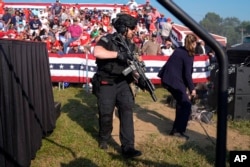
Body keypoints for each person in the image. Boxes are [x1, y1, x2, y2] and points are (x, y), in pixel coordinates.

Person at [93, 13, 142, 158]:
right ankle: (104, 137)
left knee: (127, 112)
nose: (134, 30)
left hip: (123, 83)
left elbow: (133, 64)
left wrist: (137, 74)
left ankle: (128, 147)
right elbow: (97, 52)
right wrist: (118, 55)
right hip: (106, 82)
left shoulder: (131, 45)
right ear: (123, 27)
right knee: (106, 114)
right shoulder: (107, 39)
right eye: (132, 27)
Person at [160, 33, 197, 140]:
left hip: (169, 79)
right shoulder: (187, 55)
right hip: (173, 81)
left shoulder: (179, 50)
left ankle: (176, 129)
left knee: (181, 103)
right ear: (193, 43)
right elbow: (187, 74)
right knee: (186, 104)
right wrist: (192, 89)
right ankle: (179, 130)